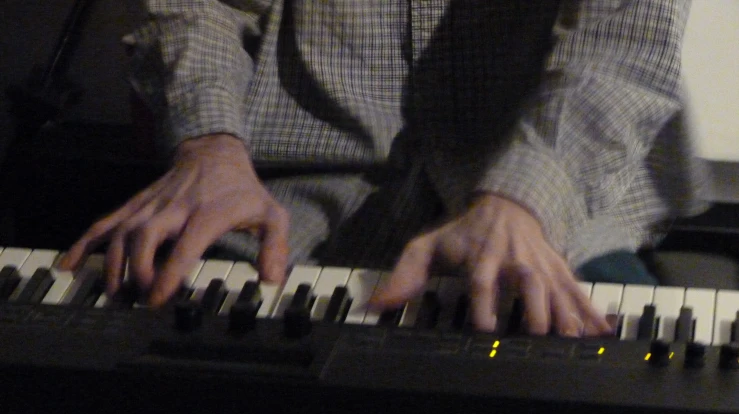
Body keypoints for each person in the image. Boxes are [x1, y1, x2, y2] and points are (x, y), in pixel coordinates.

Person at [59, 0, 707, 336]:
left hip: (555, 204)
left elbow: (622, 44)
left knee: (615, 404)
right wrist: (209, 144)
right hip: (282, 199)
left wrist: (521, 202)